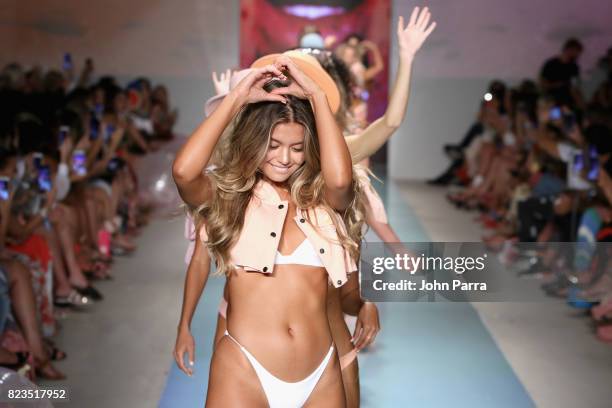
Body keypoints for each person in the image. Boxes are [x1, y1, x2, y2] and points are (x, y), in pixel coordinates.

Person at [173, 56, 365, 406]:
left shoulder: (321, 201)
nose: (285, 158)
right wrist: (237, 100)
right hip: (245, 368)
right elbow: (184, 172)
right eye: (272, 145)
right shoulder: (229, 198)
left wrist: (317, 98)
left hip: (320, 372)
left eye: (297, 148)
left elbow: (341, 179)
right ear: (253, 141)